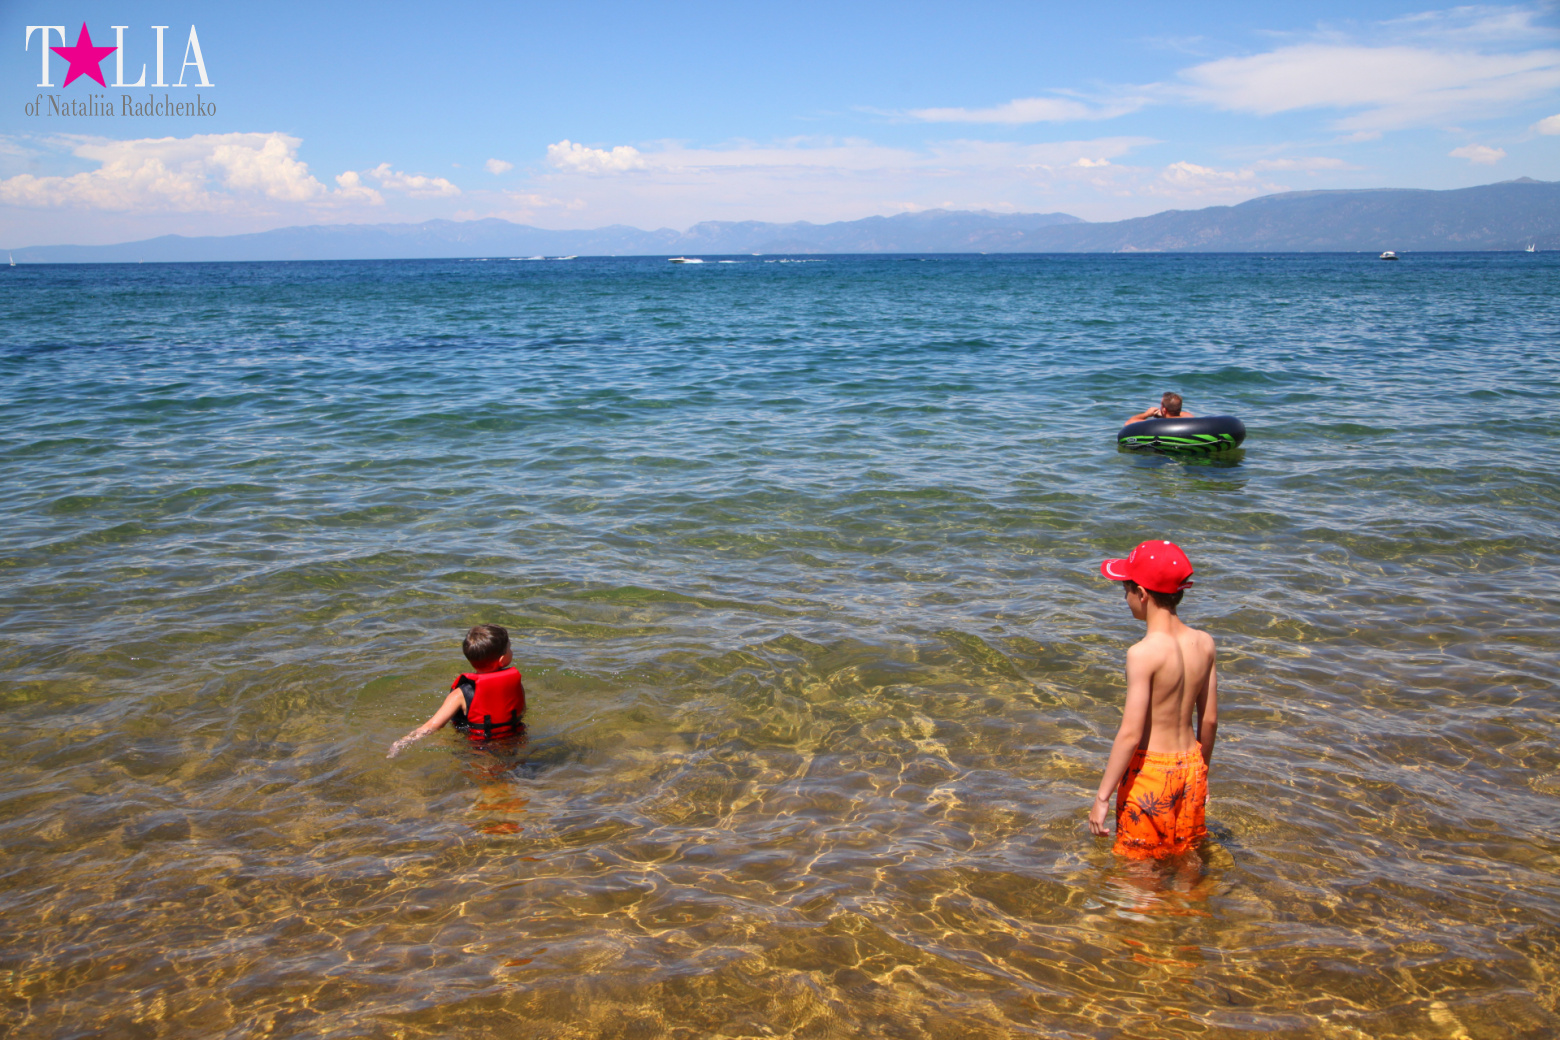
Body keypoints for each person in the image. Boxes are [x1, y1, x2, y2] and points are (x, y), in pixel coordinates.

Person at [1089, 540, 1218, 859]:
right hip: (1191, 767)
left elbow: (1131, 734)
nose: (1125, 598)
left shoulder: (1143, 654)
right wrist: (1202, 772)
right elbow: (1210, 720)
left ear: (1143, 594)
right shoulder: (1204, 643)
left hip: (1151, 773)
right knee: (1186, 861)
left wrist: (1103, 796)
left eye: (1126, 590)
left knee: (1140, 871)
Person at [387, 624, 526, 758]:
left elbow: (433, 725)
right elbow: (522, 711)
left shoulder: (460, 694)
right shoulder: (515, 684)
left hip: (479, 748)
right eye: (510, 648)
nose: (512, 651)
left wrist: (403, 742)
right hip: (514, 741)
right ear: (502, 660)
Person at [1125, 392, 1194, 424]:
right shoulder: (1188, 419)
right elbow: (1184, 414)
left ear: (1164, 409)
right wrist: (1163, 414)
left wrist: (1147, 414)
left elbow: (1128, 423)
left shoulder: (1157, 424)